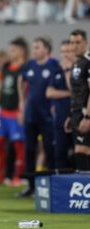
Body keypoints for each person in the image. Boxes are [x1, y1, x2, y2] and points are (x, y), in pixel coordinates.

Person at [18, 37, 60, 197]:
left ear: (46, 50)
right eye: (34, 47)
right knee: (29, 150)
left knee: (50, 150)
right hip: (30, 115)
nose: (34, 50)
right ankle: (31, 186)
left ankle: (51, 187)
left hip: (47, 116)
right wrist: (22, 104)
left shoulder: (54, 65)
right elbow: (21, 81)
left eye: (37, 47)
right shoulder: (30, 65)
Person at [0, 37, 28, 187]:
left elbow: (25, 90)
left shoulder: (26, 68)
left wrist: (22, 109)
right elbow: (1, 86)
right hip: (3, 112)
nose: (11, 53)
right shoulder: (6, 67)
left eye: (14, 50)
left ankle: (18, 176)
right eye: (10, 50)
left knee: (18, 144)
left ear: (22, 50)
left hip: (16, 112)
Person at [46, 40, 75, 169]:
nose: (65, 55)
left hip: (77, 118)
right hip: (60, 118)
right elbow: (49, 93)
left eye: (68, 51)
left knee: (77, 153)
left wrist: (68, 71)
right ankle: (63, 185)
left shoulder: (80, 69)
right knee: (59, 154)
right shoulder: (56, 70)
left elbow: (75, 91)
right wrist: (68, 93)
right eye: (63, 52)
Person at [65, 29, 90, 170]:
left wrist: (88, 117)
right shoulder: (76, 64)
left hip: (86, 116)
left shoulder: (88, 61)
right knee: (80, 152)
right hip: (77, 115)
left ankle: (85, 191)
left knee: (82, 152)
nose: (74, 46)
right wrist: (71, 115)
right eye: (72, 43)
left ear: (86, 43)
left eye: (78, 42)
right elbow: (76, 93)